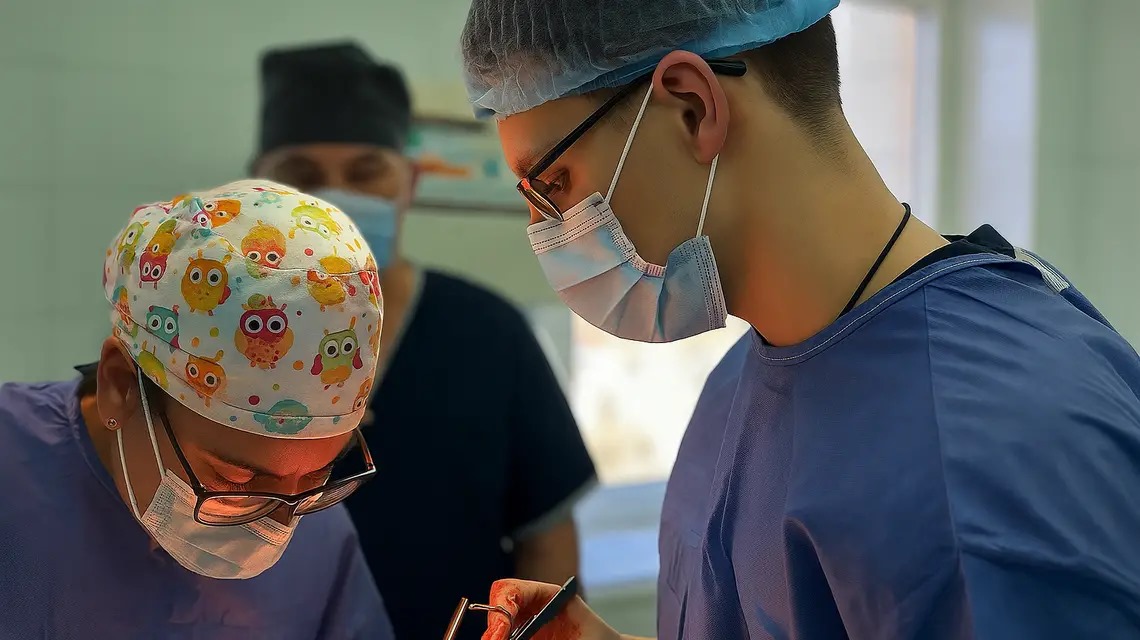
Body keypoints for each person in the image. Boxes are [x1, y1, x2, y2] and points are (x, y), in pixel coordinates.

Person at [459, 0, 1140, 638]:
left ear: (693, 108)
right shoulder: (745, 378)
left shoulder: (986, 452)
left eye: (552, 185)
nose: (545, 231)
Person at [251, 42, 598, 640]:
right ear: (260, 191)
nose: (332, 200)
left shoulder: (488, 336)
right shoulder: (216, 350)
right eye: (301, 177)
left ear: (408, 183)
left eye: (365, 174)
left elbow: (547, 546)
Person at [0, 180, 395, 639]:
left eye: (316, 477)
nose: (278, 525)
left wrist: (296, 486)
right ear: (120, 386)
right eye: (236, 480)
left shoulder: (311, 521)